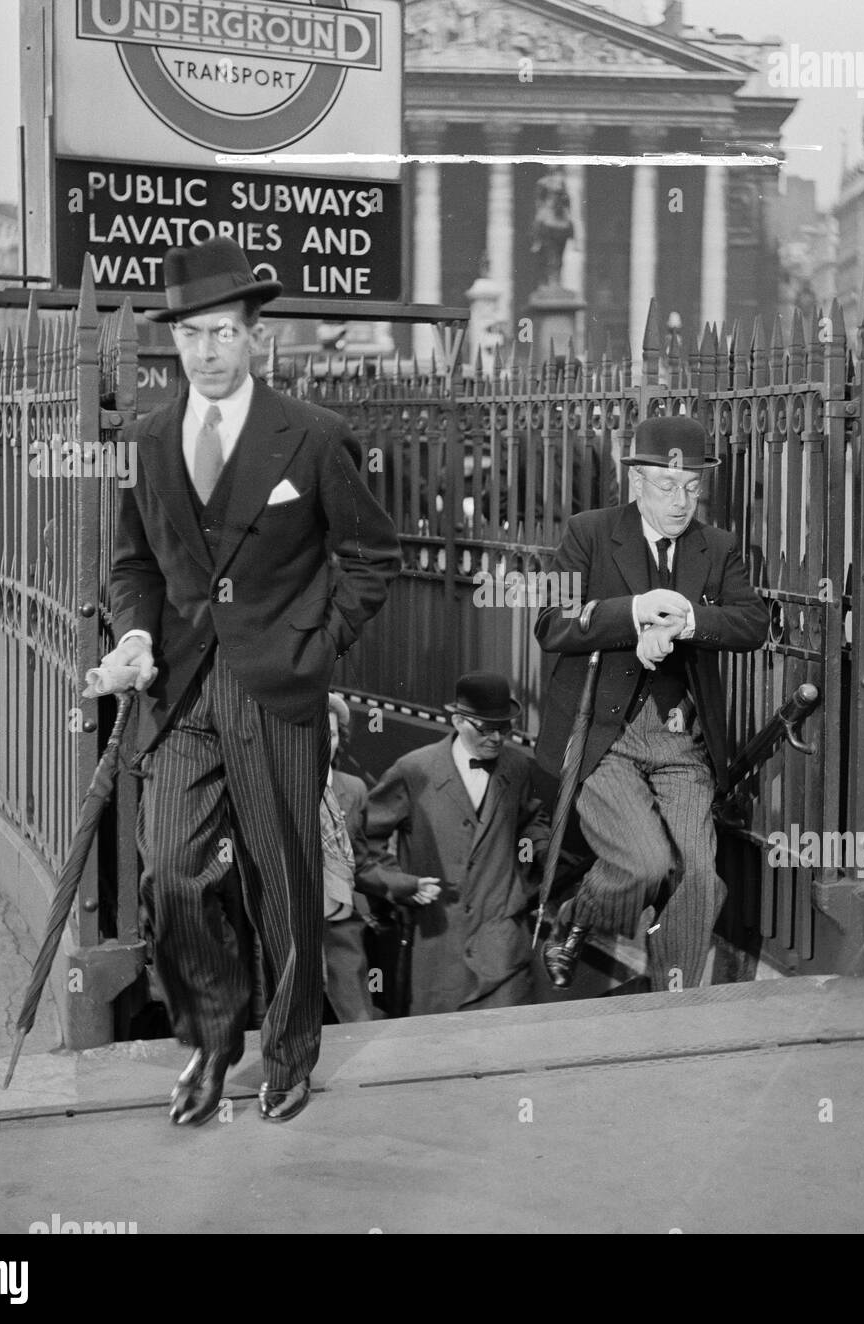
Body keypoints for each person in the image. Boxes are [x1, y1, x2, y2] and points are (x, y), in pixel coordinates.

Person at [84, 237, 401, 1126]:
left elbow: (372, 555)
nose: (207, 353)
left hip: (277, 687)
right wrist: (137, 632)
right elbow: (132, 564)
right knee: (174, 871)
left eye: (223, 333)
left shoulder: (314, 435)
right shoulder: (148, 440)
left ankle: (291, 1052)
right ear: (173, 343)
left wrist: (319, 639)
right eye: (191, 337)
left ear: (255, 335)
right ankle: (211, 1036)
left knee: (284, 877)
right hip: (179, 688)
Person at [533, 415, 770, 991]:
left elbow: (753, 622)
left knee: (702, 877)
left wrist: (690, 621)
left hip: (678, 737)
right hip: (602, 736)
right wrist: (635, 612)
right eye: (667, 487)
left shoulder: (718, 547)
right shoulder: (589, 533)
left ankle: (676, 994)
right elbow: (552, 621)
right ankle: (576, 917)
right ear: (636, 481)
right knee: (643, 864)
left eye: (692, 488)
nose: (681, 501)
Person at [359, 672, 551, 1015]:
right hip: (437, 950)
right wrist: (399, 884)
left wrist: (540, 851)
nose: (497, 737)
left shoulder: (518, 768)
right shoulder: (414, 770)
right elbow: (361, 842)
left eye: (505, 728)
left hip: (503, 948)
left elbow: (530, 823)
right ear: (458, 720)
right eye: (486, 728)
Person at [320, 692, 377, 1024]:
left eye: (333, 734)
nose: (326, 743)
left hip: (344, 935)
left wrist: (405, 885)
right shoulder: (274, 788)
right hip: (295, 937)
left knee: (358, 1028)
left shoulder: (353, 789)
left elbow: (365, 860)